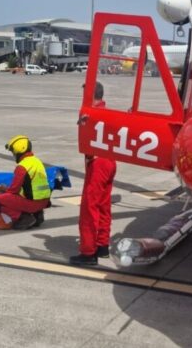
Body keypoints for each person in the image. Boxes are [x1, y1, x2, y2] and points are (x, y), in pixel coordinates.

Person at [70, 81, 117, 266]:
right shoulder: (106, 112)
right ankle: (102, 245)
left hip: (97, 162)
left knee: (89, 207)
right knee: (104, 205)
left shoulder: (90, 113)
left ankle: (88, 253)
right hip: (110, 161)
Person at [0, 135, 52, 230]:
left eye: (13, 152)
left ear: (19, 150)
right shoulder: (37, 161)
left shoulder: (22, 166)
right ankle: (37, 215)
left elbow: (13, 191)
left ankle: (23, 218)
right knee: (22, 196)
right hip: (44, 202)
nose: (13, 155)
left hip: (32, 204)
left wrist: (3, 189)